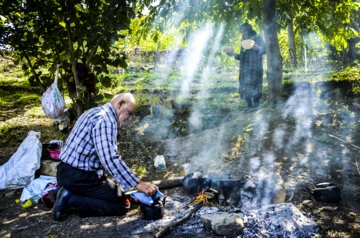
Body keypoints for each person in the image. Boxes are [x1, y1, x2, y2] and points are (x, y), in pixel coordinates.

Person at [53, 93, 158, 221]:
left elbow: (96, 155)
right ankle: (70, 198)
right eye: (129, 113)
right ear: (120, 104)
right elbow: (110, 159)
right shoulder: (106, 120)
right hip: (80, 178)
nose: (130, 119)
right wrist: (137, 184)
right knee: (122, 204)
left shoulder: (94, 112)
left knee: (112, 191)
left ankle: (63, 192)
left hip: (65, 173)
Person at [227, 23, 266, 108]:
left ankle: (256, 105)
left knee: (255, 86)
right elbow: (242, 56)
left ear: (249, 29)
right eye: (242, 31)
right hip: (245, 68)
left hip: (255, 67)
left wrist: (257, 48)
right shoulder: (243, 40)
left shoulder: (257, 37)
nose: (243, 33)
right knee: (245, 86)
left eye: (244, 30)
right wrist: (233, 54)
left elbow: (264, 50)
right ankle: (249, 106)